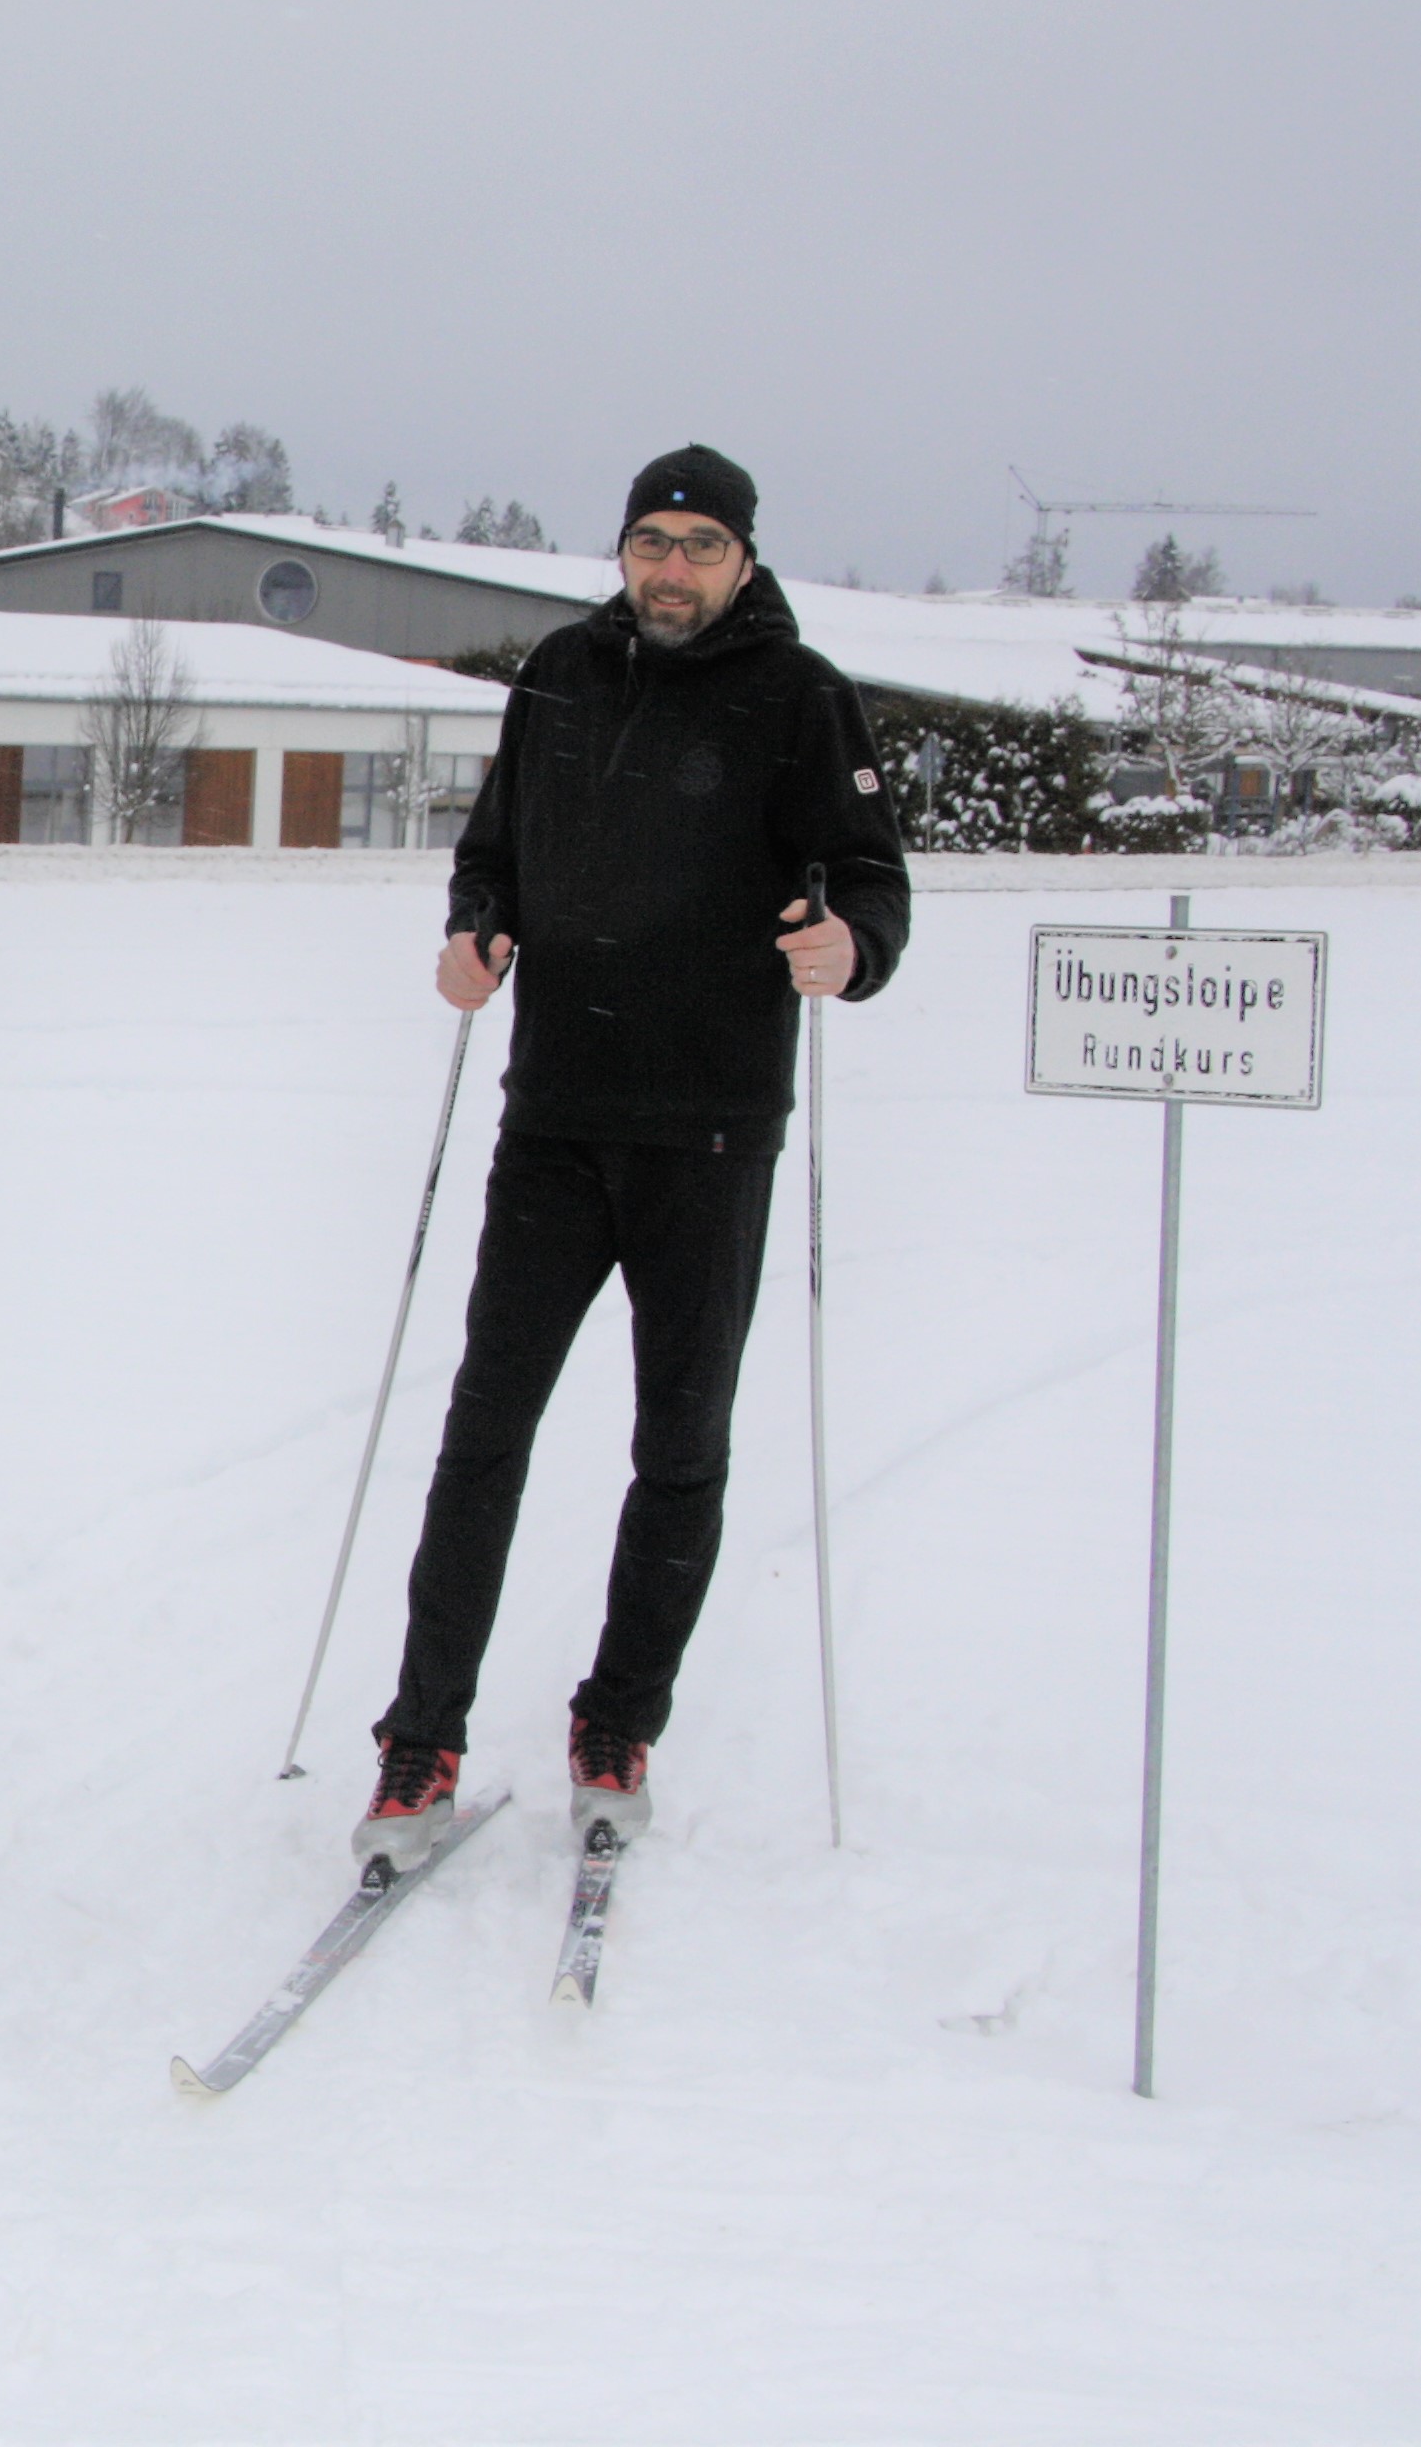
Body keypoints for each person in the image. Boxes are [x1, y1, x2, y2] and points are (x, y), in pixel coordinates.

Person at [356, 444, 909, 1870]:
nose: (671, 568)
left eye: (701, 546)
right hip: (553, 1120)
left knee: (680, 1447)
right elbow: (495, 851)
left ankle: (620, 1717)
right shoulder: (562, 670)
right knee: (484, 1432)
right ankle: (422, 1737)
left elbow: (870, 875)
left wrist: (855, 947)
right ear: (622, 549)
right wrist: (476, 926)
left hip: (712, 1134)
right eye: (652, 540)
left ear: (743, 561)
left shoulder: (799, 696)